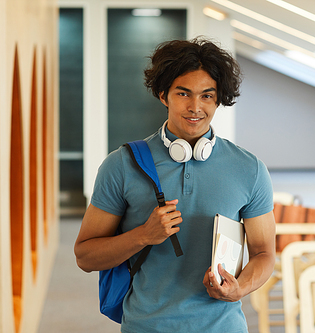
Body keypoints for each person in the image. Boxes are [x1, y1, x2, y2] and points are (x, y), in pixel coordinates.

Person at [74, 37, 276, 333]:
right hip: (146, 326)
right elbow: (85, 256)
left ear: (219, 99)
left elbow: (264, 254)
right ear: (163, 94)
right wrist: (142, 236)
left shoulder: (249, 169)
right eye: (184, 93)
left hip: (224, 326)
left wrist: (239, 289)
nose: (196, 107)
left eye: (207, 96)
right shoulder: (122, 165)